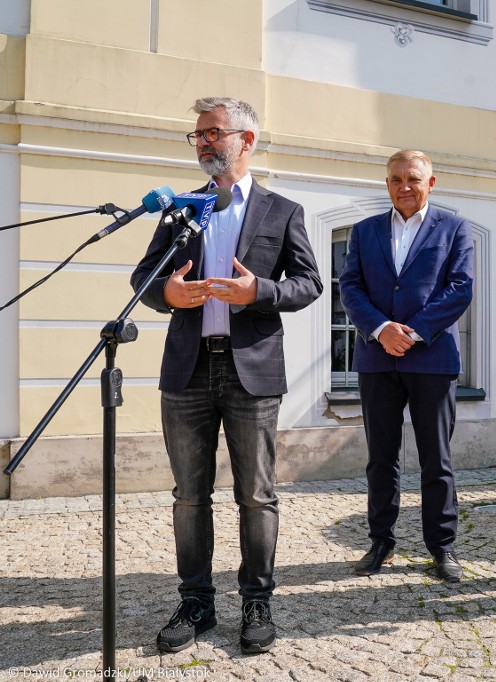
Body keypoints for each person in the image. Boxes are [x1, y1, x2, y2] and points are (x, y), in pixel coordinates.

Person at [131, 97, 322, 653]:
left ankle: (257, 601)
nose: (205, 143)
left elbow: (309, 284)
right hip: (187, 368)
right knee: (189, 496)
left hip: (252, 372)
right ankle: (196, 603)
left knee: (256, 496)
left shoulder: (280, 210)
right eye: (198, 135)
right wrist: (166, 291)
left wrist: (257, 291)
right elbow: (146, 274)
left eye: (214, 133)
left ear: (247, 140)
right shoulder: (182, 208)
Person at [339, 150, 474, 583]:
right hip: (377, 359)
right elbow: (351, 286)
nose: (404, 186)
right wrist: (381, 329)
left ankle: (443, 547)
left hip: (431, 358)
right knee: (381, 457)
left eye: (413, 178)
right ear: (388, 184)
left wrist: (411, 331)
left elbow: (460, 288)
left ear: (431, 183)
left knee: (436, 458)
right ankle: (381, 541)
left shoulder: (454, 228)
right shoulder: (364, 231)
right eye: (396, 179)